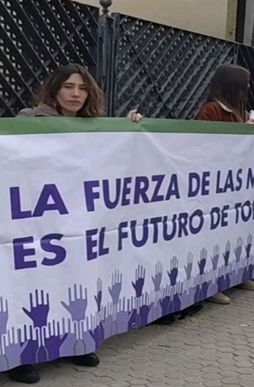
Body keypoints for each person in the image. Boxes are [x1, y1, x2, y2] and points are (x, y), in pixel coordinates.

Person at [10, 63, 141, 384]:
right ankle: (20, 355)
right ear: (54, 88)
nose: (76, 94)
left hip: (79, 222)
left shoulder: (96, 128)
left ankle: (73, 340)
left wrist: (131, 128)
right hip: (37, 222)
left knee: (74, 282)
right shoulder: (29, 122)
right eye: (69, 86)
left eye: (82, 88)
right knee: (33, 286)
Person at [195, 64, 254, 305]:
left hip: (237, 186)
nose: (248, 87)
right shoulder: (211, 110)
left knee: (236, 233)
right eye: (244, 82)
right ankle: (212, 283)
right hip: (217, 187)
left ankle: (238, 274)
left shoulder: (240, 112)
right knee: (216, 236)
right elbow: (203, 146)